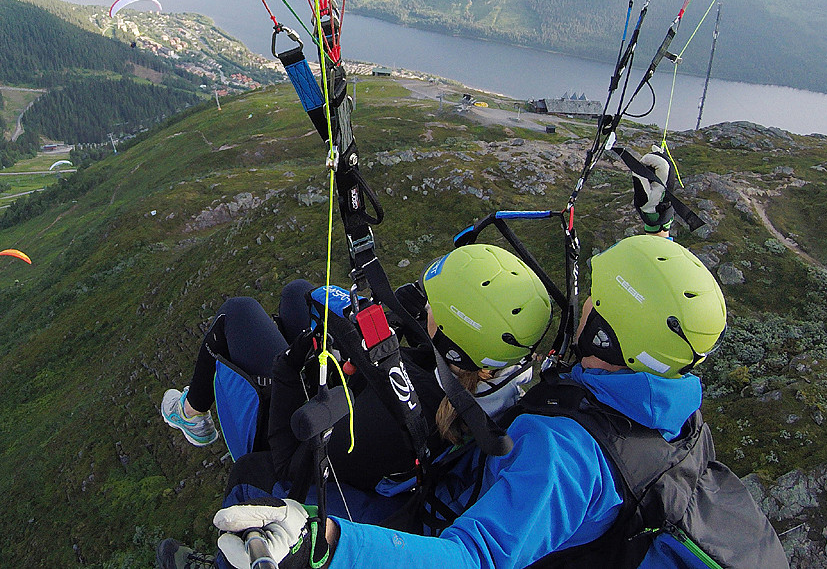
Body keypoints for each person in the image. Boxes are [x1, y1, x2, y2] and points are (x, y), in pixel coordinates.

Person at [186, 233, 787, 569]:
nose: (582, 307)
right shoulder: (664, 402)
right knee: (299, 302)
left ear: (603, 329)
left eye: (595, 302)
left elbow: (475, 557)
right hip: (457, 461)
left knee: (255, 478)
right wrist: (656, 216)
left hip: (434, 515)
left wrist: (329, 546)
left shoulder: (567, 455)